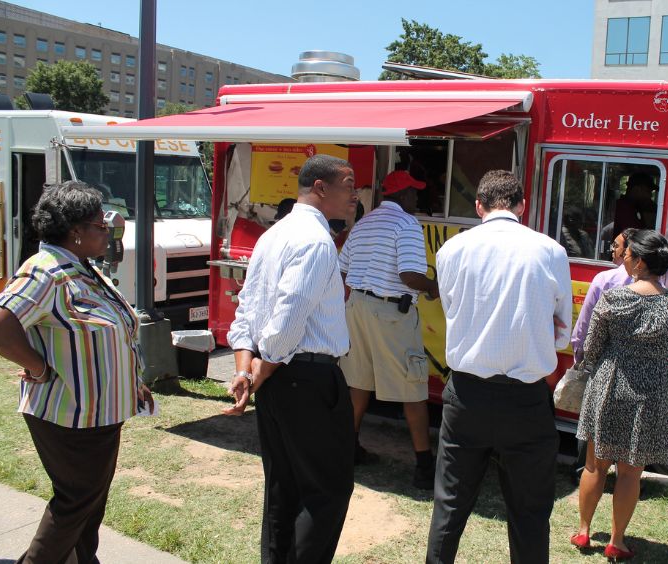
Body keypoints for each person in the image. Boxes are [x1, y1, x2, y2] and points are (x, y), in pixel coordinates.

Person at [0, 181, 154, 564]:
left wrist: (135, 382)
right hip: (71, 415)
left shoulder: (80, 267)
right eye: (101, 226)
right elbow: (0, 323)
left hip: (99, 413)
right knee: (76, 500)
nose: (108, 232)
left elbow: (112, 334)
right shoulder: (47, 271)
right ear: (76, 231)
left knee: (89, 501)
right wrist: (36, 366)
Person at [427, 170, 572, 564]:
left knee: (450, 505)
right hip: (525, 399)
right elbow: (562, 332)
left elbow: (452, 309)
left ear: (479, 206)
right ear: (522, 206)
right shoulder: (550, 250)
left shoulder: (452, 250)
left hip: (467, 393)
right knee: (529, 511)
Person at [225, 154, 358, 563]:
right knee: (327, 490)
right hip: (306, 379)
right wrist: (260, 370)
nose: (355, 195)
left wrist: (246, 369)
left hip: (281, 377)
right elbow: (287, 317)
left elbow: (248, 308)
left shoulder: (272, 236)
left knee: (283, 486)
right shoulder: (316, 241)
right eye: (349, 185)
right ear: (321, 188)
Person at [571, 229, 668, 561]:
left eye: (626, 256)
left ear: (638, 261)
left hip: (608, 386)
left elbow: (592, 349)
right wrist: (654, 366)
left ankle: (583, 532)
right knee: (630, 471)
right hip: (653, 391)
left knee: (595, 465)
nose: (622, 259)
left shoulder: (613, 299)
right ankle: (617, 541)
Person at [338, 169, 440, 489]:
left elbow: (342, 269)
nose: (417, 198)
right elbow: (409, 275)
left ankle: (347, 451)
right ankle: (424, 465)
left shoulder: (364, 223)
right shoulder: (406, 224)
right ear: (403, 195)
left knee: (358, 384)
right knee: (412, 387)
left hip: (357, 307)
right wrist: (433, 287)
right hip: (391, 313)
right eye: (414, 192)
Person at [569, 228, 635, 484]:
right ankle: (624, 473)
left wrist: (580, 356)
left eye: (617, 246)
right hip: (634, 366)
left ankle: (583, 471)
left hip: (603, 362)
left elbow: (584, 326)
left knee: (592, 420)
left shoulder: (605, 279)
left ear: (630, 251)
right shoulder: (659, 286)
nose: (613, 250)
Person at [613, 173, 658, 238]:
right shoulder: (624, 208)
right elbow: (636, 237)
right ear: (636, 189)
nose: (650, 195)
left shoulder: (635, 207)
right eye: (648, 191)